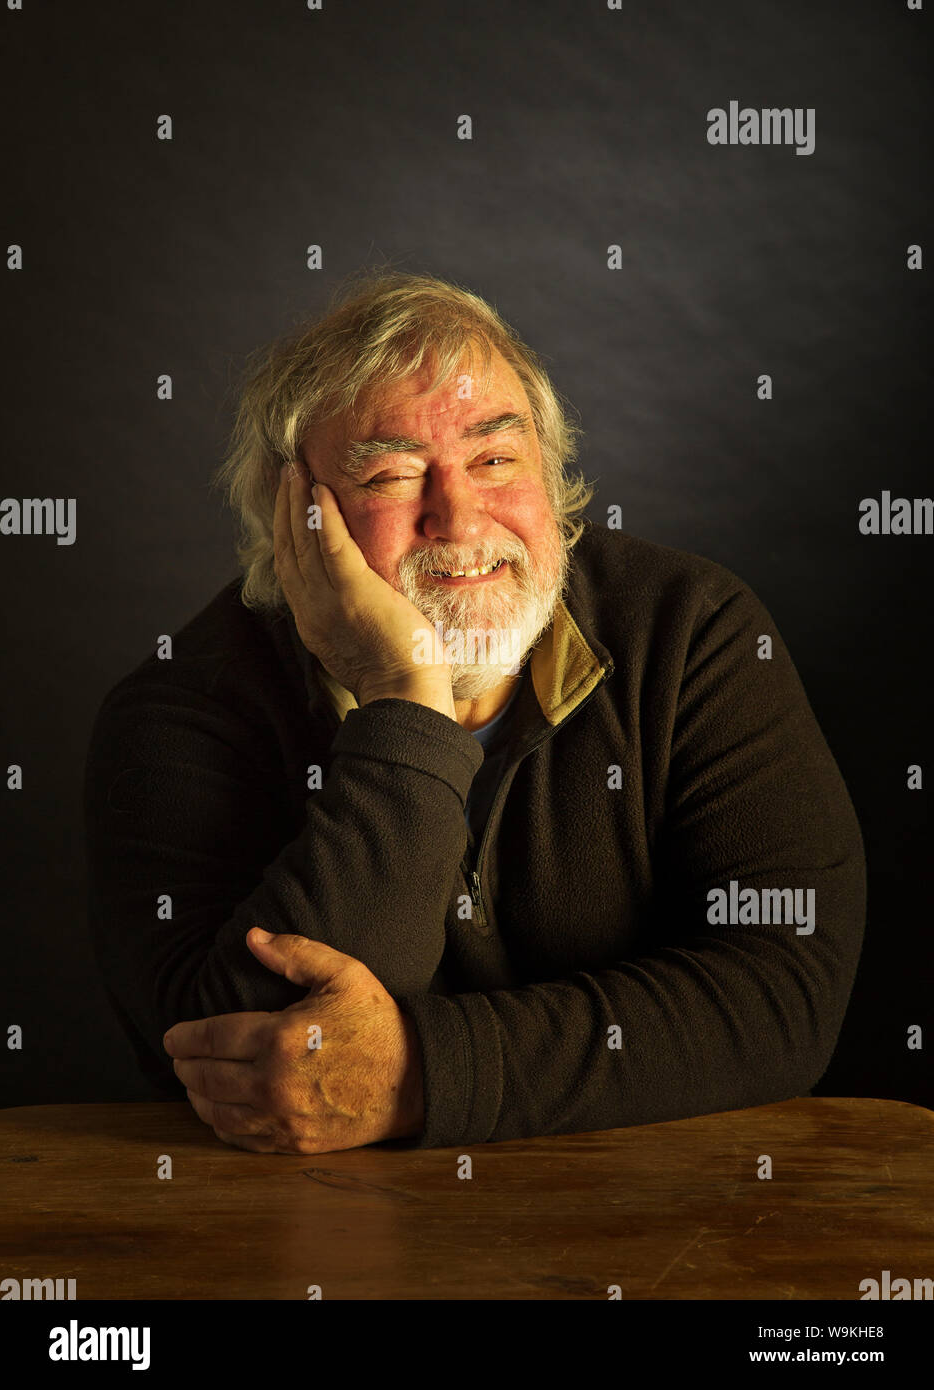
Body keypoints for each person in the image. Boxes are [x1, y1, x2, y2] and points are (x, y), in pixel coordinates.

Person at [83, 270, 866, 1154]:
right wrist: (403, 696)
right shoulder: (178, 712)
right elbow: (243, 1065)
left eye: (496, 460)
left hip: (670, 1224)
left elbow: (782, 993)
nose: (458, 517)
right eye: (392, 474)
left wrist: (420, 1077)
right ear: (294, 519)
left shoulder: (694, 633)